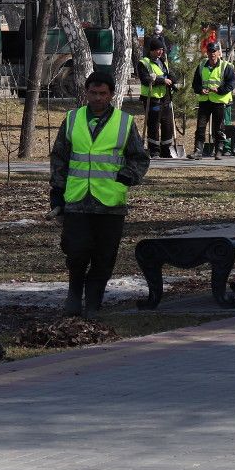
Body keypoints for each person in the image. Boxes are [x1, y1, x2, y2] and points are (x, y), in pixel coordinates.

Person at [49, 69, 150, 318]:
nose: (97, 98)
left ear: (112, 95)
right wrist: (56, 192)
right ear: (86, 92)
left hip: (110, 203)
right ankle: (74, 295)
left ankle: (93, 303)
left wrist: (129, 175)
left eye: (102, 94)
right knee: (77, 251)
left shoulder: (124, 122)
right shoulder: (72, 119)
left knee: (104, 257)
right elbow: (59, 158)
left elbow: (139, 158)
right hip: (77, 200)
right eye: (93, 93)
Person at [189, 41, 235, 160]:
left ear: (219, 53)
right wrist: (200, 90)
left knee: (218, 128)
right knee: (200, 127)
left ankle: (219, 150)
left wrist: (219, 90)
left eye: (214, 51)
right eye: (210, 51)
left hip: (219, 101)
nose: (212, 54)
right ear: (207, 53)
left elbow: (231, 84)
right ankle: (198, 151)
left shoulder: (226, 67)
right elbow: (195, 83)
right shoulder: (201, 66)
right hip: (205, 101)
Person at [137, 38, 179, 158]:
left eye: (161, 49)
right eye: (157, 50)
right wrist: (162, 81)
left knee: (167, 125)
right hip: (152, 98)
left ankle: (166, 150)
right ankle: (154, 151)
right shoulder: (144, 63)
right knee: (154, 125)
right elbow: (145, 80)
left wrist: (172, 79)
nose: (160, 52)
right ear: (151, 51)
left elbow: (170, 74)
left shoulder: (163, 62)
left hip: (165, 97)